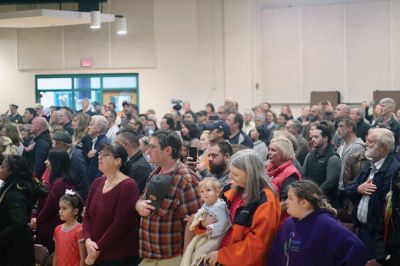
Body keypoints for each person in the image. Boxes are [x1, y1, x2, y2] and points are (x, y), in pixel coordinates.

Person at [135, 129, 202, 266]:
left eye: (153, 147)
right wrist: (138, 205)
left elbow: (194, 224)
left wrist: (186, 260)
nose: (148, 152)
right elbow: (143, 198)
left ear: (168, 150)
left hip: (173, 258)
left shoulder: (186, 179)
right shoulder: (155, 172)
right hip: (150, 256)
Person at [204, 149, 281, 266]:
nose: (229, 176)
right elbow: (208, 214)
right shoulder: (229, 189)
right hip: (217, 253)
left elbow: (257, 247)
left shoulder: (266, 201)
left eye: (235, 174)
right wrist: (202, 224)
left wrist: (221, 255)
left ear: (250, 174)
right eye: (230, 172)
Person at [267, 180, 367, 266]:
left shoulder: (327, 225)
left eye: (290, 198)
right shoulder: (288, 224)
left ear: (304, 203)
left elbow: (356, 249)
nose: (286, 202)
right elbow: (275, 253)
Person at [346, 128, 400, 261]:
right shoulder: (369, 165)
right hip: (361, 228)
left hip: (376, 235)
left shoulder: (393, 170)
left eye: (370, 142)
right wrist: (358, 189)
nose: (365, 144)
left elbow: (385, 207)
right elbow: (350, 189)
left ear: (382, 147)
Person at [83, 143, 140, 265]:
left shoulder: (128, 185)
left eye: (105, 155)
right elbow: (87, 216)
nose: (99, 157)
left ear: (117, 161)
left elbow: (120, 224)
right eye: (99, 154)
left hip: (118, 255)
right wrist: (88, 240)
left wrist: (97, 248)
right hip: (93, 249)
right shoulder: (97, 182)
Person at [0, 155, 46, 265]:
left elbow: (18, 223)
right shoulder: (10, 186)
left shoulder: (16, 194)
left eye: (2, 167)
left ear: (11, 172)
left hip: (15, 250)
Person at [181, 177, 231, 266]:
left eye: (208, 190)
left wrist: (212, 227)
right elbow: (201, 213)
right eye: (202, 192)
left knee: (200, 253)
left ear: (217, 192)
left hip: (217, 236)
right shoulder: (206, 203)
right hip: (207, 234)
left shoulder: (219, 206)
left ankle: (195, 262)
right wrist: (194, 219)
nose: (205, 194)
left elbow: (224, 222)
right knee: (194, 248)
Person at [35, 149, 77, 252]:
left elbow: (48, 210)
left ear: (56, 162)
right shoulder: (60, 181)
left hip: (50, 230)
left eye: (48, 159)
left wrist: (36, 221)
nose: (46, 162)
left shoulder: (59, 184)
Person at [302, 124, 340, 204]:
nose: (312, 139)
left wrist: (314, 195)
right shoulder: (310, 155)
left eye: (316, 137)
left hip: (325, 201)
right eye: (312, 137)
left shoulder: (333, 158)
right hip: (309, 198)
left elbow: (329, 183)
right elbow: (303, 175)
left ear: (325, 138)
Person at [266, 137, 301, 221]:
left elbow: (285, 203)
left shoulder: (291, 173)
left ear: (283, 153)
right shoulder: (269, 168)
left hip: (279, 220)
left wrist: (268, 217)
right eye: (269, 149)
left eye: (273, 150)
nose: (269, 153)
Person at [53, 190, 86, 266]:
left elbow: (82, 258)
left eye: (64, 208)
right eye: (60, 208)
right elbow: (56, 254)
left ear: (75, 211)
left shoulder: (80, 230)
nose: (60, 211)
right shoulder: (57, 229)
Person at [115, 129, 153, 194]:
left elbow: (132, 196)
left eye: (117, 143)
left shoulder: (141, 168)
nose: (114, 147)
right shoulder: (130, 161)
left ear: (126, 144)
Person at [87, 115, 110, 183]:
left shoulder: (104, 143)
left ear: (99, 128)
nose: (88, 127)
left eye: (91, 125)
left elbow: (103, 168)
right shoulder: (96, 140)